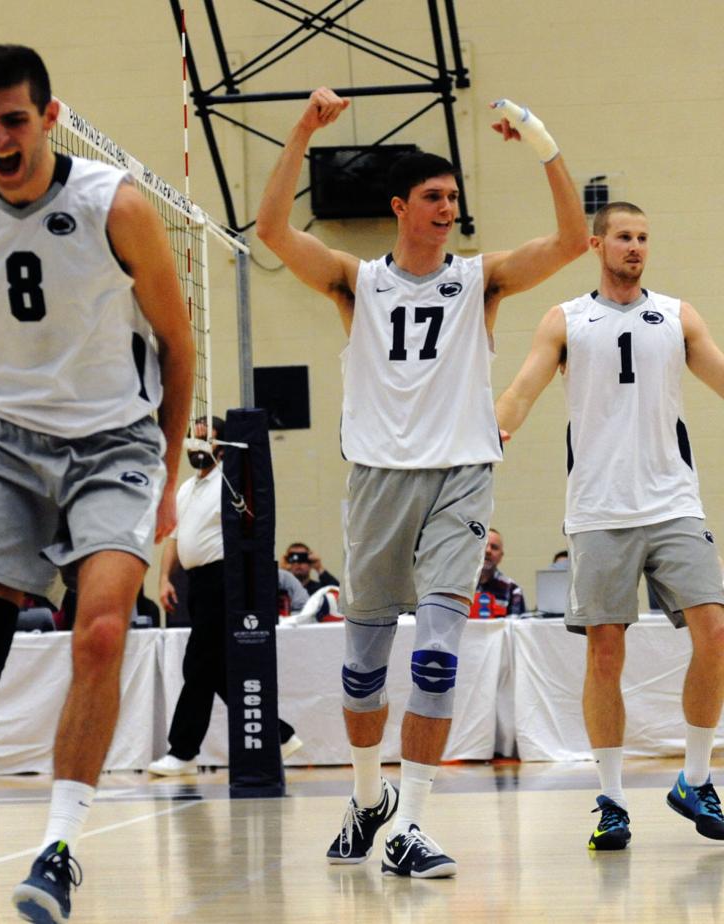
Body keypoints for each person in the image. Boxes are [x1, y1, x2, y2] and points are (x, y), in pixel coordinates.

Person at [256, 88, 586, 877]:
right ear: (401, 206)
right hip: (377, 481)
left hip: (460, 479)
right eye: (434, 197)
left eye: (454, 198)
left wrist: (538, 134)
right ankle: (368, 796)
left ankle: (412, 824)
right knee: (363, 669)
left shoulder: (483, 280)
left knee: (437, 656)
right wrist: (303, 129)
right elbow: (270, 230)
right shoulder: (354, 281)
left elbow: (576, 239)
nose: (448, 208)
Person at [0, 44, 193, 924]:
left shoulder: (117, 204)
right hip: (7, 445)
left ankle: (58, 850)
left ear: (49, 116)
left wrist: (170, 476)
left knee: (99, 634)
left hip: (116, 444)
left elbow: (178, 350)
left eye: (15, 121)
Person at [496, 200, 724, 851]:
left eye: (644, 237)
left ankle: (696, 779)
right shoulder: (566, 319)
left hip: (675, 503)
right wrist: (493, 430)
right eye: (624, 236)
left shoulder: (678, 316)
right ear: (598, 243)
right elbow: (521, 391)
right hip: (598, 510)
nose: (635, 247)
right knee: (605, 652)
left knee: (716, 631)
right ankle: (612, 799)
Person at [148, 418, 302, 777]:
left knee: (198, 666)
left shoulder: (230, 481)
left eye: (204, 438)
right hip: (195, 583)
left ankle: (183, 752)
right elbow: (174, 538)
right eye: (193, 438)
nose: (195, 445)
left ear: (220, 445)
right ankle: (278, 734)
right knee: (215, 670)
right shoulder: (186, 489)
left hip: (224, 579)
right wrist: (164, 579)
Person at [474, 528, 526, 616]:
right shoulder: (457, 585)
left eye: (494, 547)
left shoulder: (512, 589)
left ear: (501, 556)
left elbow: (514, 627)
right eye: (484, 545)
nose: (488, 551)